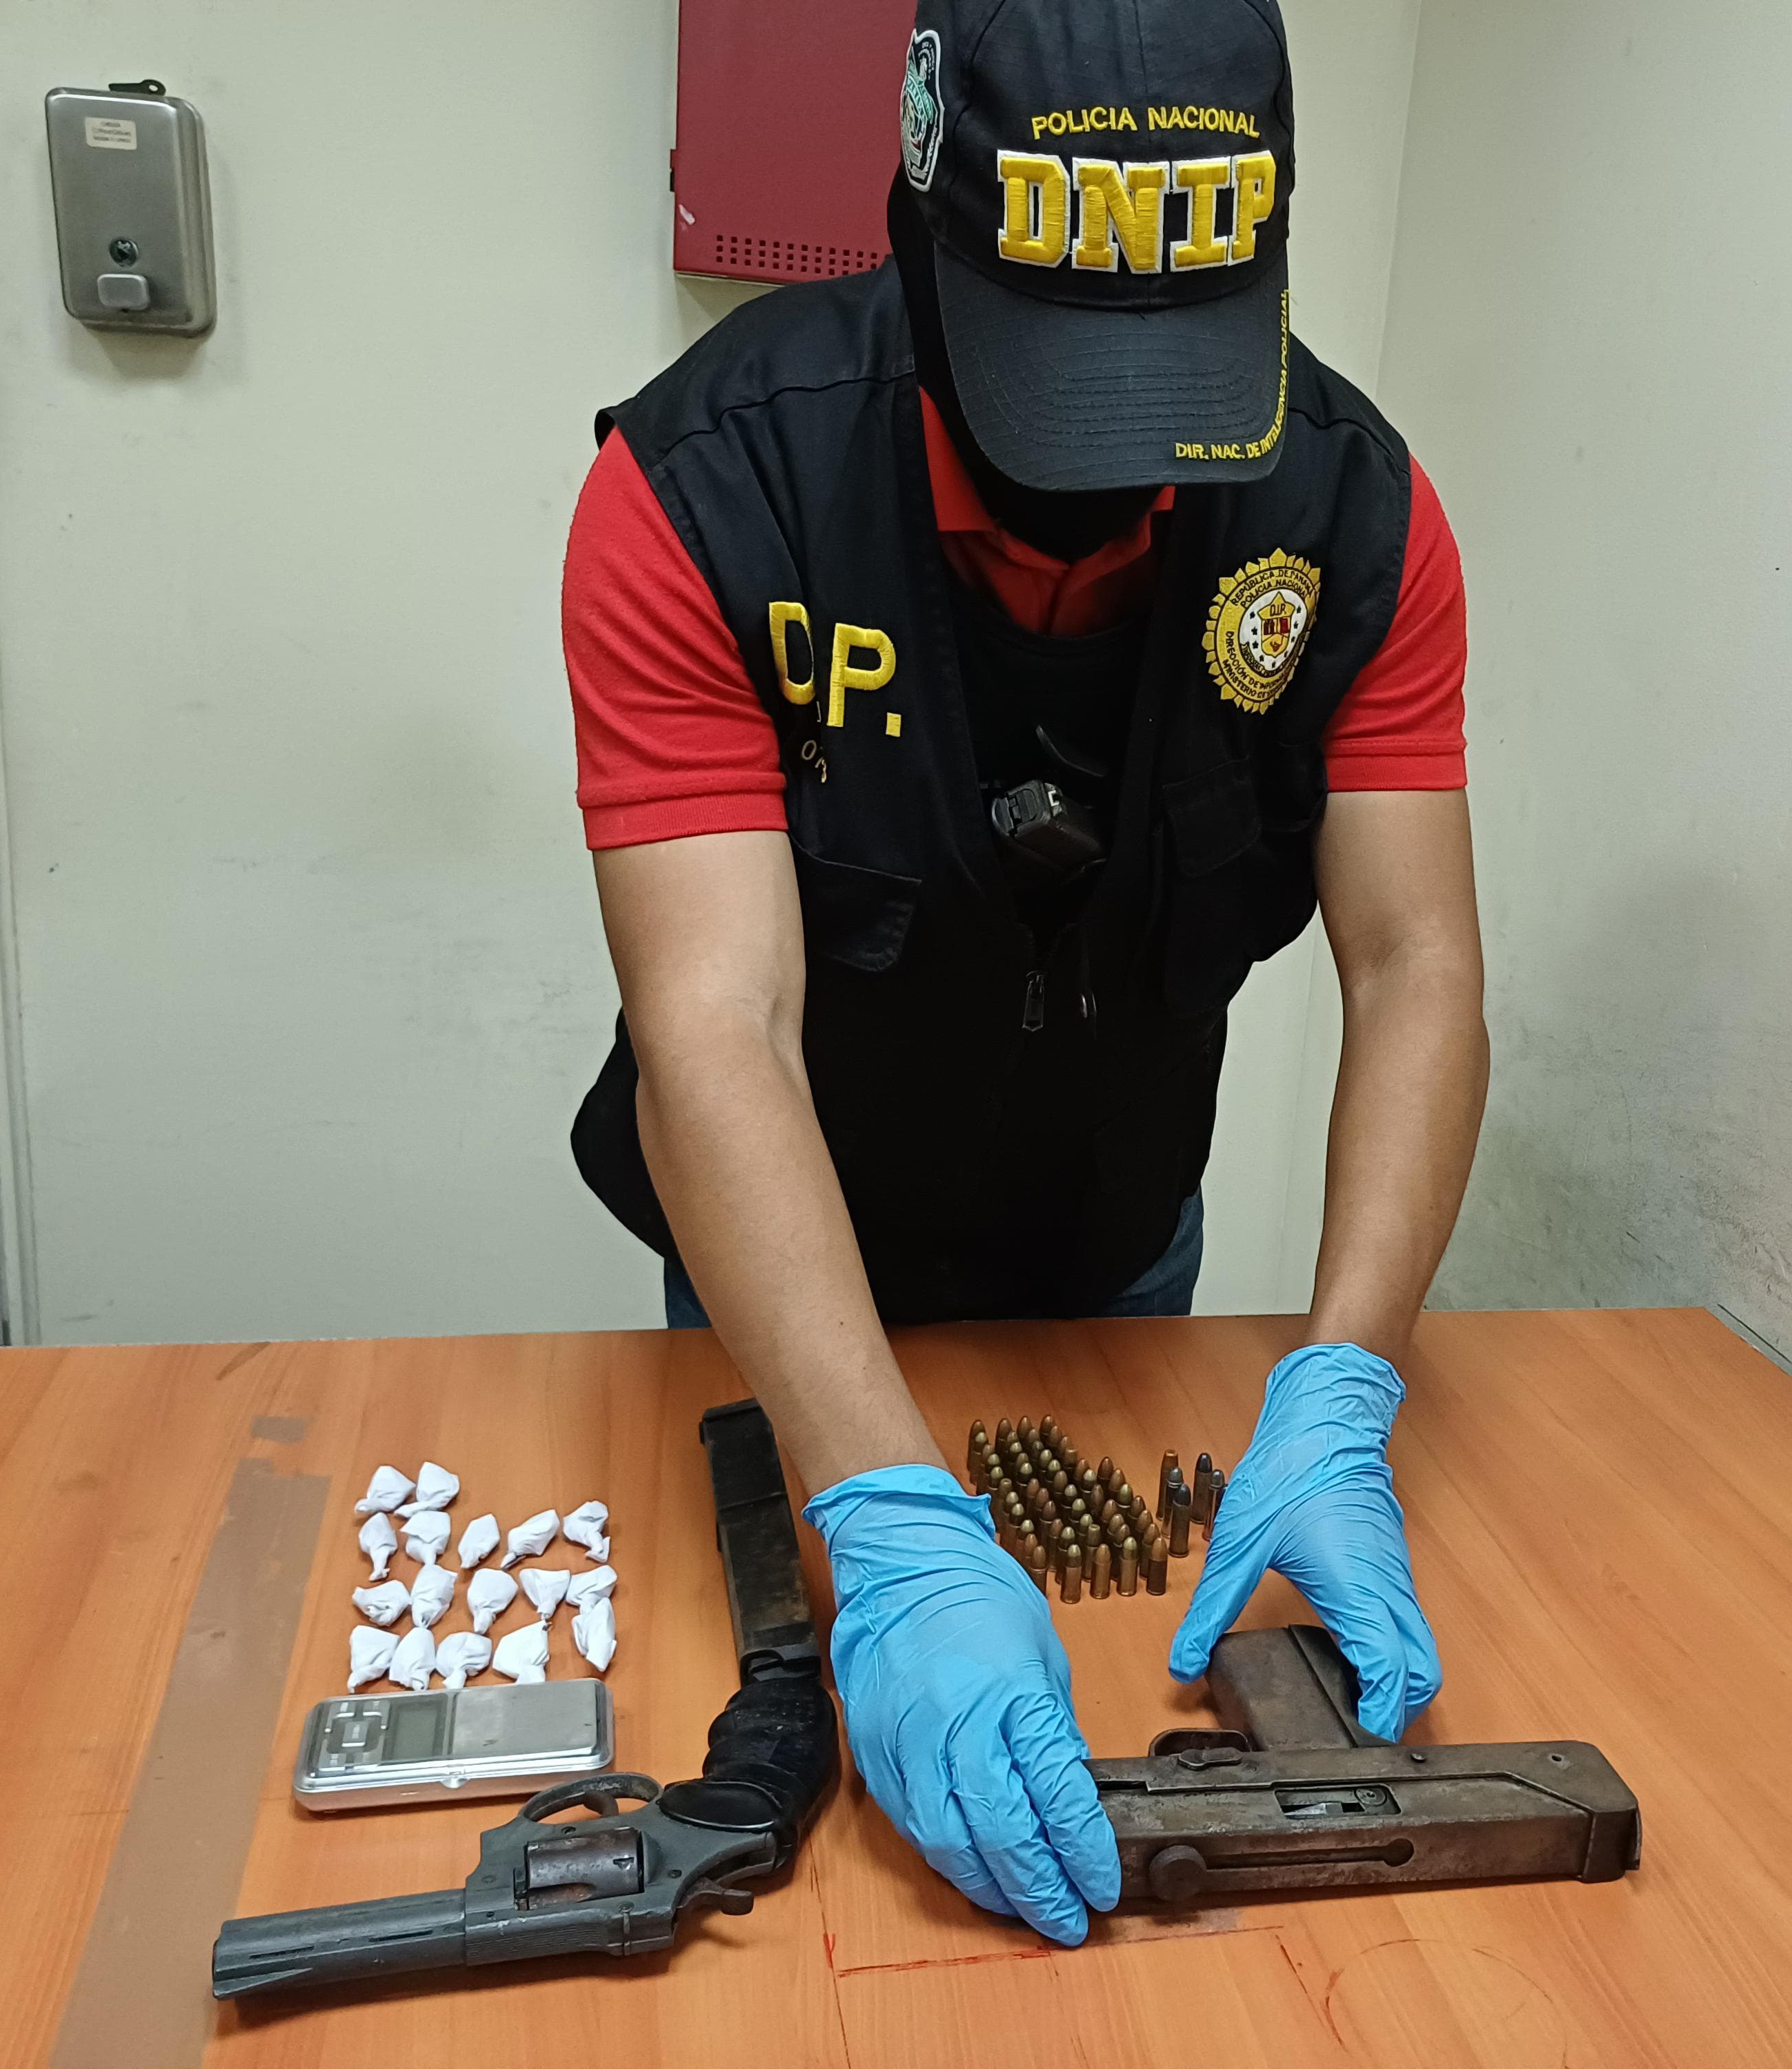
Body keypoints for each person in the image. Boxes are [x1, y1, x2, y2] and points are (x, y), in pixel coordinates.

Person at [562, 0, 1487, 1948]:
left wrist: (1344, 1376)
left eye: (1174, 376)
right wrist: (888, 1526)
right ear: (918, 226)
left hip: (1113, 1249)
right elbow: (713, 1024)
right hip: (785, 1264)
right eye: (1059, 377)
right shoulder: (706, 493)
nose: (1123, 463)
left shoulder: (1356, 515)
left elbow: (1415, 964)